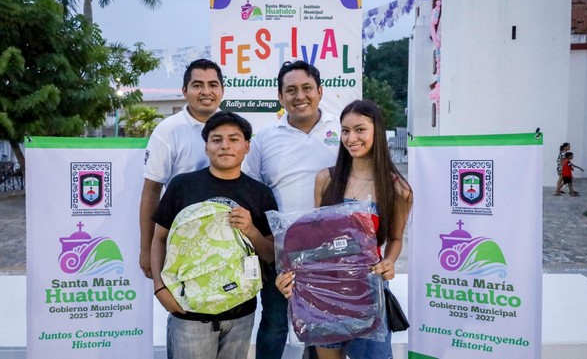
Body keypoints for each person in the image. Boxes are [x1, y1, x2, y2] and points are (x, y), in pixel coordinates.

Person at [276, 99, 413, 359]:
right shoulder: (326, 179)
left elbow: (395, 238)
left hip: (368, 292)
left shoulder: (397, 189)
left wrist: (389, 261)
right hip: (323, 294)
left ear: (377, 131)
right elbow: (316, 242)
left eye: (360, 130)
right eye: (345, 130)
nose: (351, 138)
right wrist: (290, 275)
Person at [151, 111, 278, 359]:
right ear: (206, 147)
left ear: (247, 146)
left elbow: (271, 254)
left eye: (234, 139)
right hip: (189, 310)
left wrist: (251, 230)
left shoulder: (260, 193)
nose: (225, 146)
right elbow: (160, 239)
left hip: (241, 310)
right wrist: (159, 288)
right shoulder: (182, 185)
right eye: (217, 139)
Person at [243, 60, 341, 359]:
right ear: (280, 96)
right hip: (280, 251)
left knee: (322, 324)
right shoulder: (264, 139)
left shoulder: (341, 130)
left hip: (331, 251)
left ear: (320, 91)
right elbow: (251, 192)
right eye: (291, 90)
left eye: (307, 88)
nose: (300, 96)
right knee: (274, 323)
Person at [139, 58, 225, 278]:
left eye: (213, 85)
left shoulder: (233, 127)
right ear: (185, 91)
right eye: (197, 85)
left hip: (227, 241)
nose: (206, 92)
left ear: (222, 91)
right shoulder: (168, 131)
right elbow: (151, 191)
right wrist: (147, 249)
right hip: (182, 241)